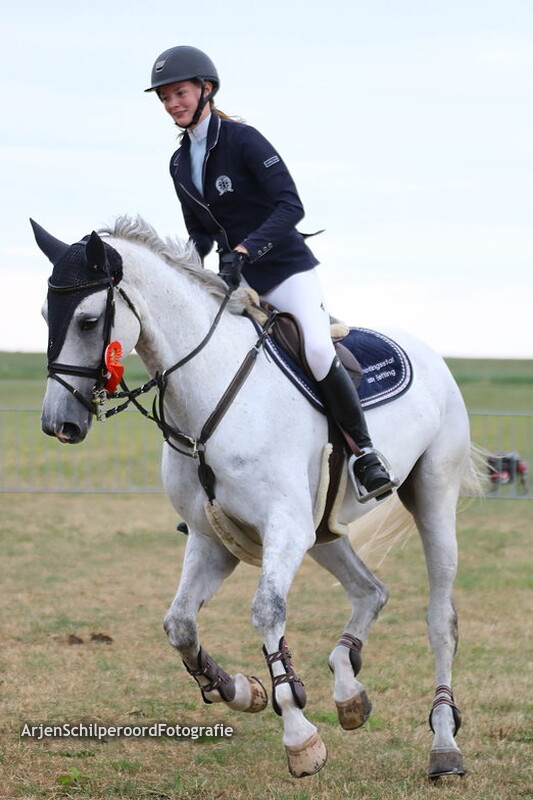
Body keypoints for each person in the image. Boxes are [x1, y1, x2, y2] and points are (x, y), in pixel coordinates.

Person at [145, 45, 394, 501]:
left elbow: (290, 206)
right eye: (164, 98)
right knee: (210, 361)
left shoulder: (243, 140)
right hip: (236, 281)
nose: (172, 104)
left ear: (207, 89)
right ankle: (216, 484)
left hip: (284, 270)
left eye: (179, 93)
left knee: (318, 350)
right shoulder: (179, 163)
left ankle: (366, 455)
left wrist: (245, 247)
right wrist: (184, 268)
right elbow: (199, 234)